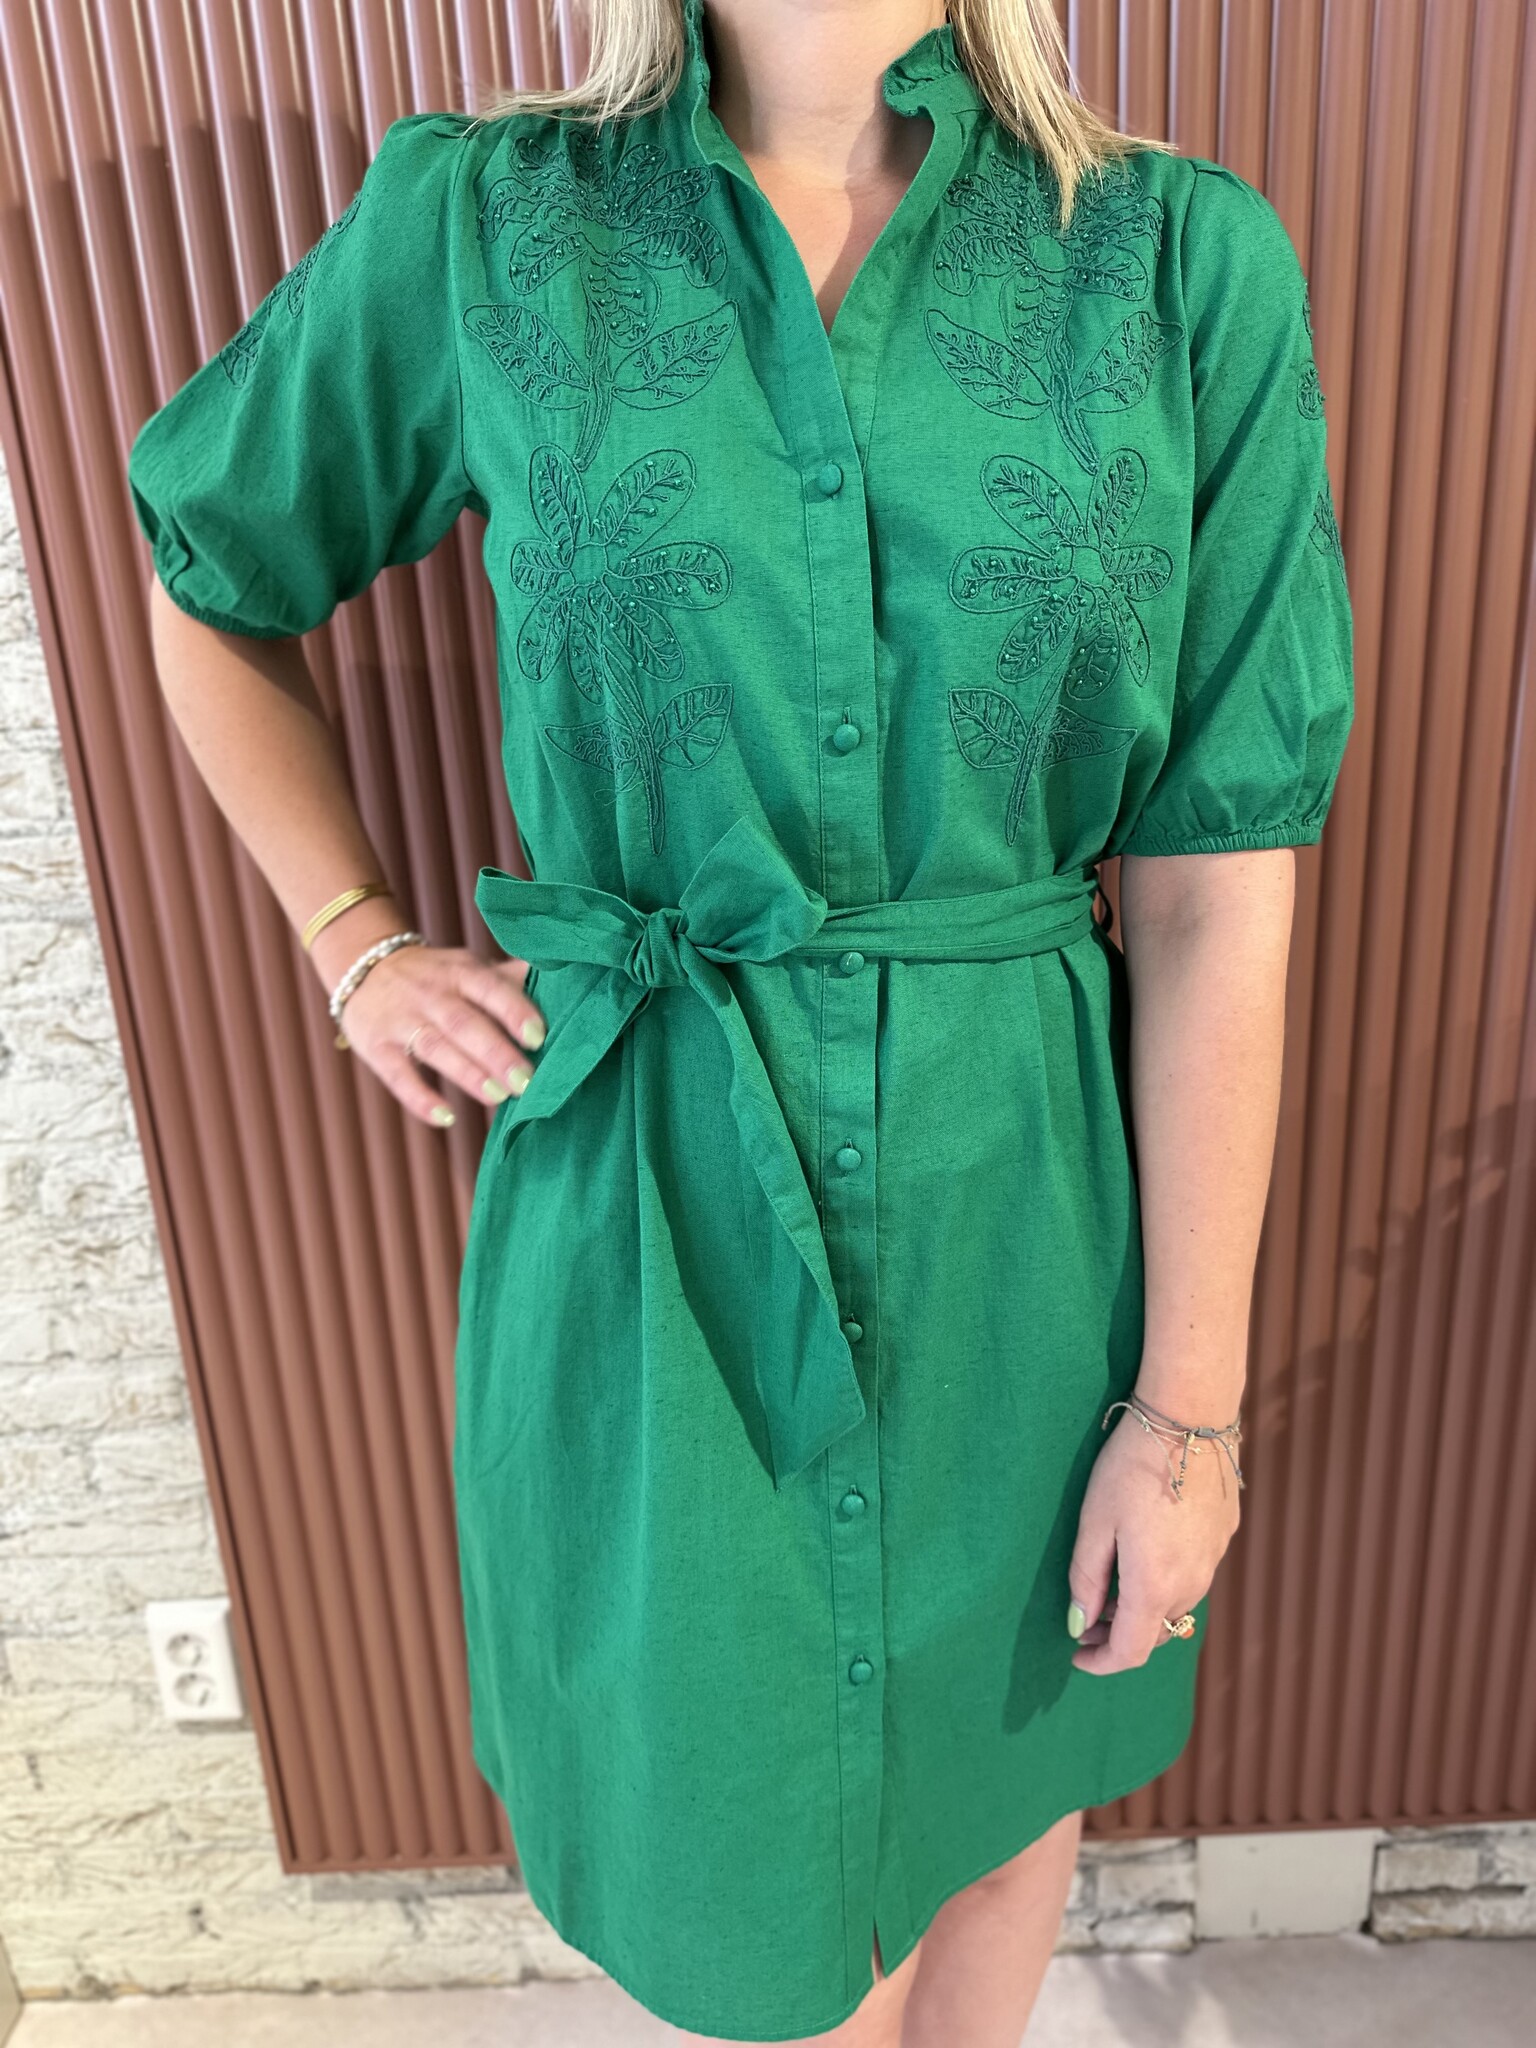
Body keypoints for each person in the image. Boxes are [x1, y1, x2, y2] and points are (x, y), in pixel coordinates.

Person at [125, 0, 1355, 2040]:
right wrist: (356, 942)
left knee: (996, 1823)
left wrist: (1187, 1411)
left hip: (1025, 1232)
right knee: (763, 1934)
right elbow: (210, 572)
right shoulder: (490, 224)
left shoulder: (1169, 258)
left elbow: (1217, 879)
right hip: (657, 1230)